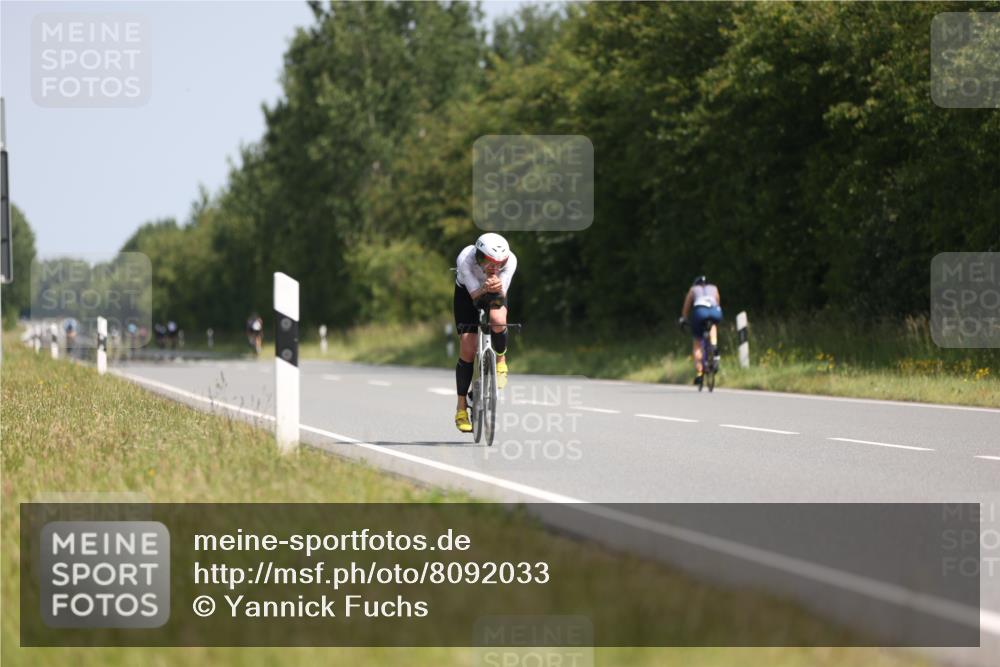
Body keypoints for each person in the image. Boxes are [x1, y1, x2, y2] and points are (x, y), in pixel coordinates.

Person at [453, 232, 517, 433]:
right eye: (488, 261)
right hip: (467, 294)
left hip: (494, 290)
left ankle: (501, 361)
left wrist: (496, 287)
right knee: (467, 346)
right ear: (478, 256)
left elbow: (501, 294)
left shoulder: (511, 261)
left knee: (498, 320)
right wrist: (484, 288)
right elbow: (474, 295)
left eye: (499, 263)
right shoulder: (466, 258)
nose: (494, 267)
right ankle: (461, 407)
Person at [679, 275, 723, 387]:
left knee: (697, 343)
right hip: (715, 311)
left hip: (700, 312)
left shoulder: (693, 289)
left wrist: (683, 318)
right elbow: (717, 302)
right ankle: (714, 346)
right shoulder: (714, 288)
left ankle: (699, 373)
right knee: (713, 325)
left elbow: (687, 305)